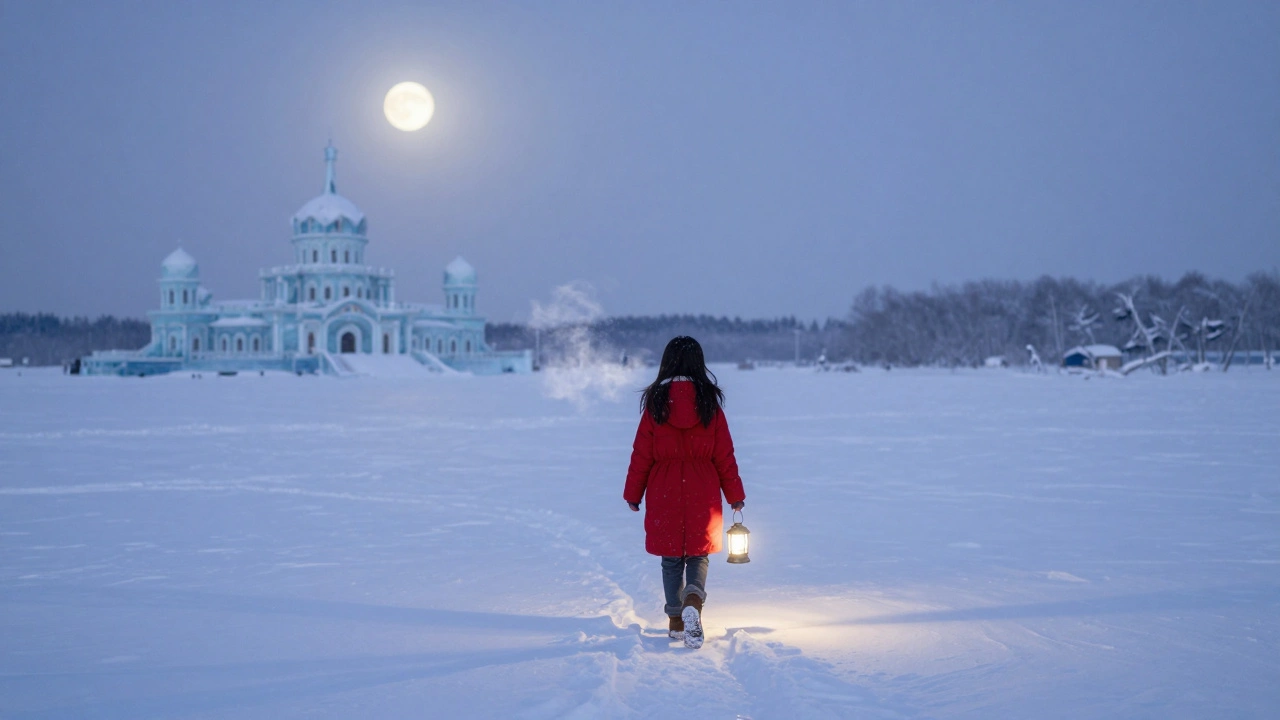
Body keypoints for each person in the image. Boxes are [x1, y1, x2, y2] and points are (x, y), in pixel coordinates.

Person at [623, 336, 746, 649]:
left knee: (670, 560)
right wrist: (735, 495)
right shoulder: (709, 404)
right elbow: (725, 455)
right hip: (702, 488)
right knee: (698, 554)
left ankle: (676, 620)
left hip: (663, 488)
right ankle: (694, 599)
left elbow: (641, 454)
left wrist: (633, 493)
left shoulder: (656, 403)